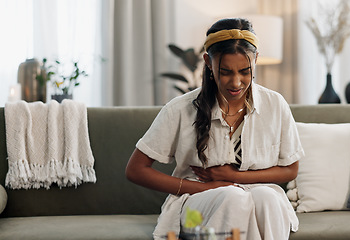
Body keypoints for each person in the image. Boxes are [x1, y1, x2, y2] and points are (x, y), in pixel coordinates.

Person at [125, 18, 304, 240]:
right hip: (194, 207)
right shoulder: (180, 109)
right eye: (226, 72)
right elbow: (136, 169)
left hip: (257, 197)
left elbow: (290, 170)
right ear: (208, 62)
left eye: (245, 71)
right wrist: (205, 187)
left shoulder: (275, 104)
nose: (236, 82)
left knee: (267, 198)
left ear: (256, 60)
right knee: (233, 198)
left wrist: (234, 176)